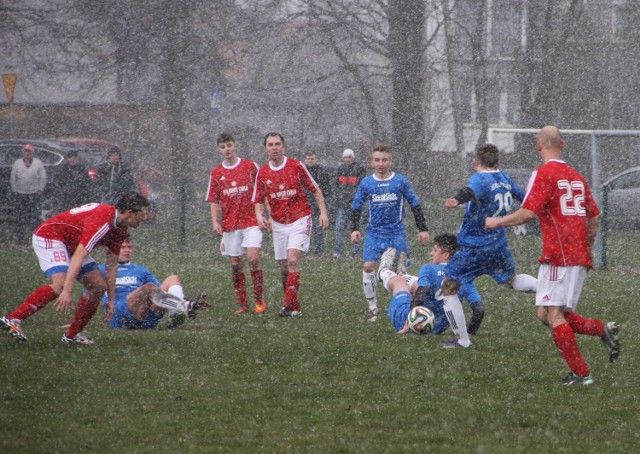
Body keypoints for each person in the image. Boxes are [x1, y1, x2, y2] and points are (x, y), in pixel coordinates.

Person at [485, 125, 620, 385]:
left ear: (538, 146)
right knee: (545, 314)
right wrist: (587, 247)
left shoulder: (544, 173)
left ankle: (582, 374)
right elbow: (595, 216)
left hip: (558, 255)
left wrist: (496, 222)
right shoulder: (577, 176)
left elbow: (527, 213)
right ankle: (602, 330)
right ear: (563, 144)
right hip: (577, 255)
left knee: (554, 314)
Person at [0, 192, 149, 344]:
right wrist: (67, 291)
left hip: (73, 244)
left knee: (98, 286)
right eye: (142, 215)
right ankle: (13, 318)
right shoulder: (103, 222)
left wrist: (111, 298)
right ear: (130, 212)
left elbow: (111, 263)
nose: (144, 219)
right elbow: (78, 256)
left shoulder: (120, 227)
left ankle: (72, 335)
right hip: (51, 236)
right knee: (60, 285)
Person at [438, 143, 538, 349]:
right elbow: (526, 199)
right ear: (498, 162)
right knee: (512, 280)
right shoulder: (505, 179)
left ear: (476, 162)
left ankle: (463, 341)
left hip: (474, 248)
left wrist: (456, 200)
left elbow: (470, 191)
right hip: (498, 245)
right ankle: (549, 289)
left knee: (449, 286)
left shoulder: (479, 178)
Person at [350, 142, 430, 322]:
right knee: (368, 266)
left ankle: (406, 308)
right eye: (377, 160)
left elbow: (414, 204)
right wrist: (354, 229)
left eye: (384, 160)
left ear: (391, 161)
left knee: (400, 272)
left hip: (396, 233)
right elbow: (356, 206)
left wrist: (422, 229)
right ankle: (373, 308)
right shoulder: (367, 183)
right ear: (372, 162)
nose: (381, 163)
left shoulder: (400, 180)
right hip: (374, 233)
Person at [253, 132, 329, 317]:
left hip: (300, 218)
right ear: (266, 149)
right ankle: (295, 307)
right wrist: (259, 215)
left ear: (284, 147)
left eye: (277, 144)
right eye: (270, 145)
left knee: (293, 259)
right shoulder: (263, 172)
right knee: (284, 265)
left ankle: (287, 305)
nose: (274, 148)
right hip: (278, 223)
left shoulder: (296, 165)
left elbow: (315, 189)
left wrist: (323, 212)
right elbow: (258, 199)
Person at [206, 132, 266, 315]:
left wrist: (265, 215)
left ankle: (258, 298)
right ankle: (242, 303)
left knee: (253, 259)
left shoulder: (250, 166)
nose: (227, 150)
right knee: (235, 264)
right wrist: (215, 221)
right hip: (230, 224)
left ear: (236, 146)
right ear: (219, 149)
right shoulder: (216, 173)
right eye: (223, 147)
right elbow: (214, 200)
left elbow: (262, 190)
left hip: (251, 221)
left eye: (229, 145)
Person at [378, 234, 483, 335]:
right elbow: (479, 310)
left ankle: (383, 270)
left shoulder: (428, 269)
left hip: (410, 323)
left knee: (399, 282)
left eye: (435, 250)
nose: (431, 253)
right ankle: (401, 273)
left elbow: (421, 294)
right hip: (436, 327)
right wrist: (470, 333)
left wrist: (407, 323)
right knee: (423, 284)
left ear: (446, 255)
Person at [100, 236, 206, 329]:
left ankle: (175, 313)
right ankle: (185, 306)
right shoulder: (102, 270)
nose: (127, 250)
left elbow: (159, 293)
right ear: (112, 249)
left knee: (173, 279)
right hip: (120, 317)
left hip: (145, 317)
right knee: (148, 288)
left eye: (129, 247)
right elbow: (92, 293)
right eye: (122, 247)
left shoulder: (140, 270)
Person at [10, 143, 47, 244]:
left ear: (32, 152)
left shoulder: (38, 163)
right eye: (26, 151)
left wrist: (40, 190)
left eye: (29, 151)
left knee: (35, 217)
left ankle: (36, 238)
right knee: (21, 217)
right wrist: (15, 191)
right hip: (21, 194)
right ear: (23, 152)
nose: (27, 153)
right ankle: (19, 239)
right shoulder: (17, 163)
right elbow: (13, 178)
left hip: (34, 194)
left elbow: (43, 177)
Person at [333, 148, 366, 259]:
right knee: (339, 227)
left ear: (353, 157)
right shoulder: (340, 169)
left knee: (356, 228)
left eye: (349, 157)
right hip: (342, 204)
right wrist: (340, 196)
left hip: (355, 205)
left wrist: (354, 197)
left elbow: (361, 186)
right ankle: (338, 252)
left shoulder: (359, 169)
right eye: (345, 157)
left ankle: (355, 253)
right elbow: (336, 185)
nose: (347, 159)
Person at [303, 150, 332, 256]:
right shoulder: (302, 171)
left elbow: (326, 188)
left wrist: (324, 203)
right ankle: (306, 250)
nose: (310, 161)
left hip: (317, 205)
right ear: (305, 160)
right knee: (305, 229)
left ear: (316, 159)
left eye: (312, 158)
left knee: (318, 228)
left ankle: (318, 251)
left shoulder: (321, 171)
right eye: (309, 159)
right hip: (305, 205)